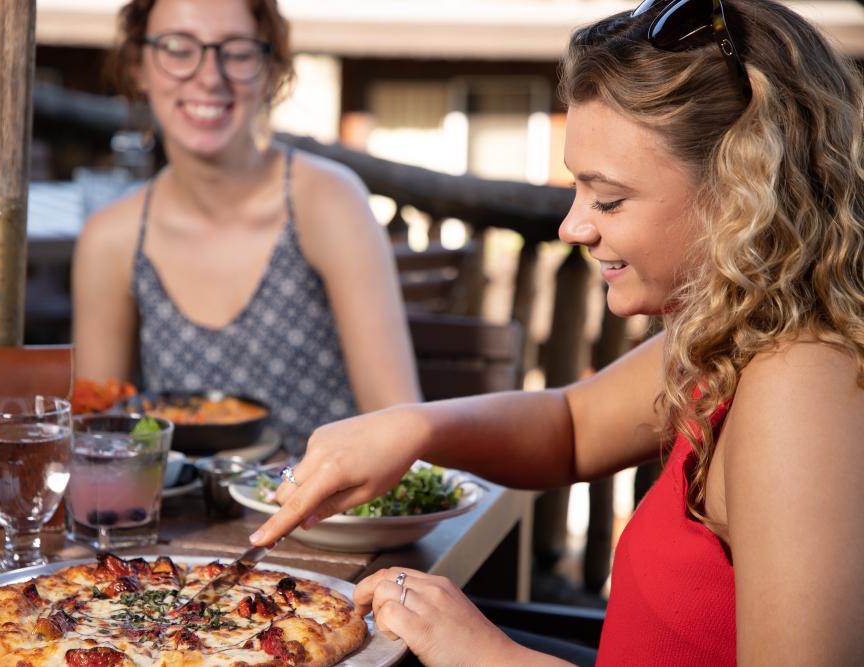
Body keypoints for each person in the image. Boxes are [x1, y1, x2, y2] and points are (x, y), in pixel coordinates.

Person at [251, 0, 864, 664]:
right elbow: (572, 425)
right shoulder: (741, 335)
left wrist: (484, 652)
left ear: (739, 193)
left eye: (608, 198)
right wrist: (411, 428)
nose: (573, 226)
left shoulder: (803, 385)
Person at [72, 0, 420, 450]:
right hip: (179, 519)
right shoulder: (112, 239)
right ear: (138, 66)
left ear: (271, 70)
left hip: (329, 515)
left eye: (236, 51)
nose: (209, 75)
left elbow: (397, 424)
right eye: (178, 48)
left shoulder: (326, 202)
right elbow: (99, 439)